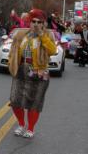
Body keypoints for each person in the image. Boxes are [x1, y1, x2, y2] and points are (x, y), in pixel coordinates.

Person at [8, 9, 56, 139]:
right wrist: (12, 64)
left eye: (39, 22)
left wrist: (41, 35)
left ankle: (30, 128)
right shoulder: (22, 34)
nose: (36, 24)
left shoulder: (47, 35)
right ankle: (21, 124)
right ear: (30, 22)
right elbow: (13, 51)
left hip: (39, 73)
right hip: (22, 70)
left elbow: (53, 50)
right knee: (15, 100)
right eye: (33, 21)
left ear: (43, 24)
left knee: (34, 103)